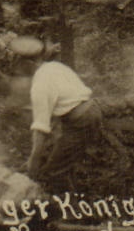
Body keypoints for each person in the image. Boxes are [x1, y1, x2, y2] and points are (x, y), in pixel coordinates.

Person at [19, 36, 106, 185]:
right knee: (59, 154)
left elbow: (40, 129)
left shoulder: (40, 84)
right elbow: (66, 104)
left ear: (28, 63)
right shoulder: (56, 67)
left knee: (52, 174)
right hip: (91, 109)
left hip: (81, 121)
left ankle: (64, 202)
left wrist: (33, 163)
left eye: (20, 65)